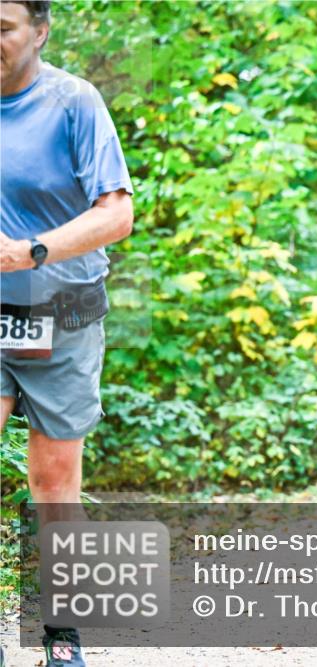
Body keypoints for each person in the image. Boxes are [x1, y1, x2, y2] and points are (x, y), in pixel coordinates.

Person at [1, 2, 134, 665]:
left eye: (3, 27)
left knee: (53, 480)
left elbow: (117, 213)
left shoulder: (73, 102)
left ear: (40, 31)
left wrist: (33, 250)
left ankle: (62, 631)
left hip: (63, 307)